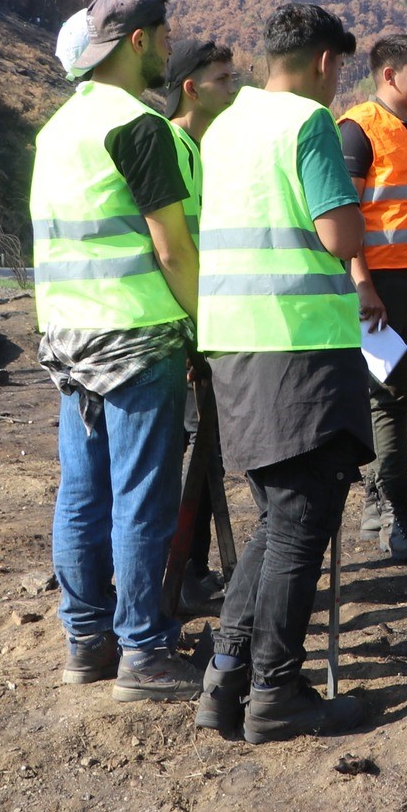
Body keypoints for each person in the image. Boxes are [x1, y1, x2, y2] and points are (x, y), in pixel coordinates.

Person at [194, 3, 369, 743]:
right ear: (326, 61)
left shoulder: (225, 122)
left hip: (236, 339)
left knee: (277, 515)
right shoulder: (308, 123)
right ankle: (276, 690)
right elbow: (337, 231)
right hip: (298, 342)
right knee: (302, 519)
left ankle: (228, 673)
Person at [31, 0, 202, 702]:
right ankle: (145, 652)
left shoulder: (57, 129)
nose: (169, 47)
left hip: (70, 341)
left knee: (82, 492)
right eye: (164, 35)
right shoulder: (139, 125)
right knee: (140, 496)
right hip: (136, 339)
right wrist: (206, 327)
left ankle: (86, 641)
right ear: (138, 41)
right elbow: (171, 250)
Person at [338, 34, 407, 561]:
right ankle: (395, 517)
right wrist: (363, 285)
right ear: (389, 75)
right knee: (386, 397)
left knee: (399, 394)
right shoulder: (359, 129)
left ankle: (378, 502)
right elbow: (345, 214)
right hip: (384, 285)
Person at [161, 37, 240, 609]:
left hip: (205, 319)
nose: (232, 90)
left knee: (205, 446)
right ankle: (178, 573)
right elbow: (169, 249)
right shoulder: (167, 145)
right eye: (222, 80)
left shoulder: (206, 148)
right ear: (191, 87)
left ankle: (193, 567)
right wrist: (195, 331)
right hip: (180, 326)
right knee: (183, 452)